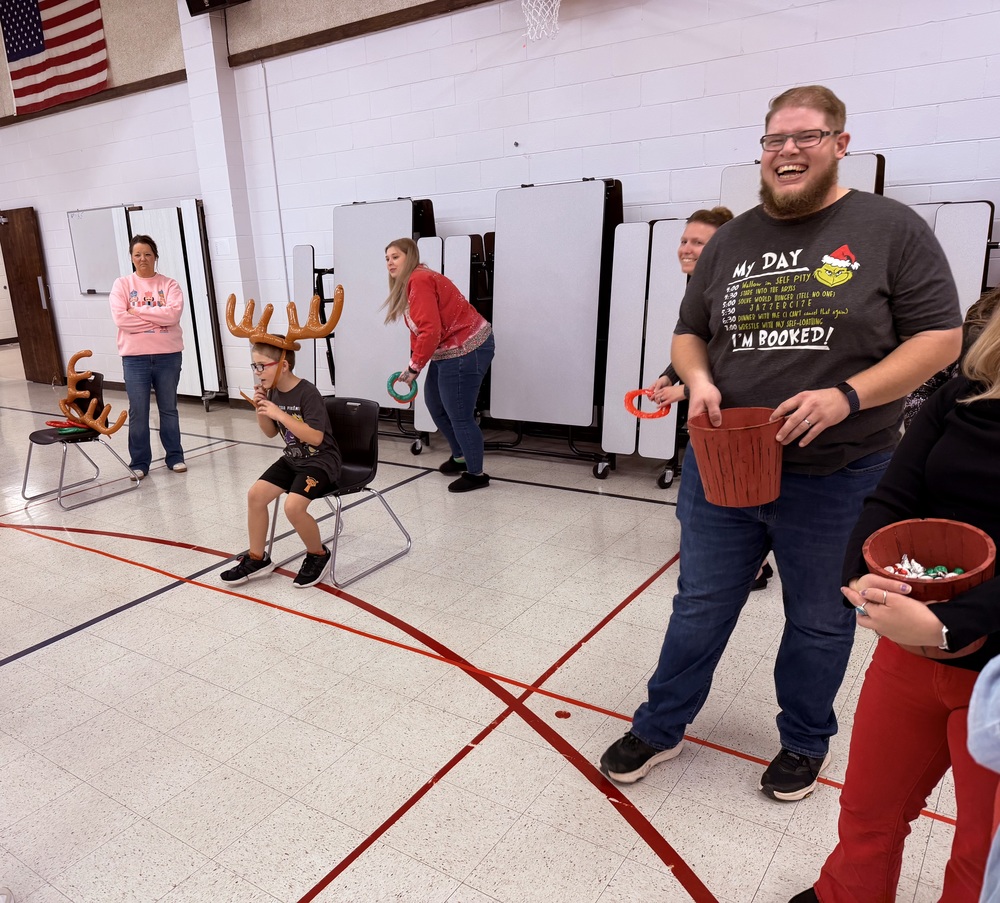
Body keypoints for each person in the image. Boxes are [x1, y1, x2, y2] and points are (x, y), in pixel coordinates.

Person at [600, 84, 963, 800]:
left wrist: (848, 395)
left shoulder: (892, 228)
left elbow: (941, 339)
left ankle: (803, 739)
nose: (788, 151)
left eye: (807, 136)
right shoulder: (732, 239)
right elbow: (690, 332)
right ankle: (661, 723)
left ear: (840, 143)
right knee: (699, 603)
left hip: (842, 472)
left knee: (821, 619)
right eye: (775, 139)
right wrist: (698, 379)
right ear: (762, 149)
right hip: (725, 464)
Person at [791, 298, 1000, 902]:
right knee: (868, 804)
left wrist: (944, 626)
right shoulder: (964, 389)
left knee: (984, 845)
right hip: (911, 648)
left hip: (989, 667)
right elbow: (893, 492)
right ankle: (847, 893)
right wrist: (863, 574)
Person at [649, 207, 779, 589]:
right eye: (684, 240)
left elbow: (738, 361)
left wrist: (685, 390)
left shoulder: (736, 287)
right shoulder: (698, 284)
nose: (686, 249)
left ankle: (750, 568)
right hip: (713, 417)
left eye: (698, 242)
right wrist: (671, 373)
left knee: (733, 496)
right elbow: (698, 341)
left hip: (739, 419)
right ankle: (750, 565)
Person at [220, 338, 342, 588]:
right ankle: (257, 558)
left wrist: (279, 413)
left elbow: (316, 437)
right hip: (294, 458)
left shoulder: (308, 392)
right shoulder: (273, 392)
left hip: (321, 461)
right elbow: (269, 432)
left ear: (283, 365)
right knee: (255, 495)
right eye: (255, 366)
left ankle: (318, 554)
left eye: (262, 366)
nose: (257, 372)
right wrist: (261, 408)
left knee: (293, 507)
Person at [385, 238, 495, 493]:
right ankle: (460, 456)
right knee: (436, 405)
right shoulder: (411, 283)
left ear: (410, 256)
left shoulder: (419, 279)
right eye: (387, 258)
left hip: (466, 348)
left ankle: (476, 473)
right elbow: (421, 329)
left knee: (459, 414)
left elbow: (430, 330)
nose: (390, 262)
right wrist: (414, 364)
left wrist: (414, 368)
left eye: (396, 256)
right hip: (448, 351)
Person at [109, 234, 186, 479]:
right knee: (138, 411)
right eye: (137, 254)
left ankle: (175, 457)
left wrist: (138, 312)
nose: (143, 259)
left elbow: (172, 317)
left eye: (147, 254)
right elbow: (121, 320)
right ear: (131, 258)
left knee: (168, 409)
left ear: (155, 257)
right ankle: (139, 463)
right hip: (135, 359)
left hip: (168, 356)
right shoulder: (121, 284)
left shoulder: (169, 284)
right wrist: (157, 319)